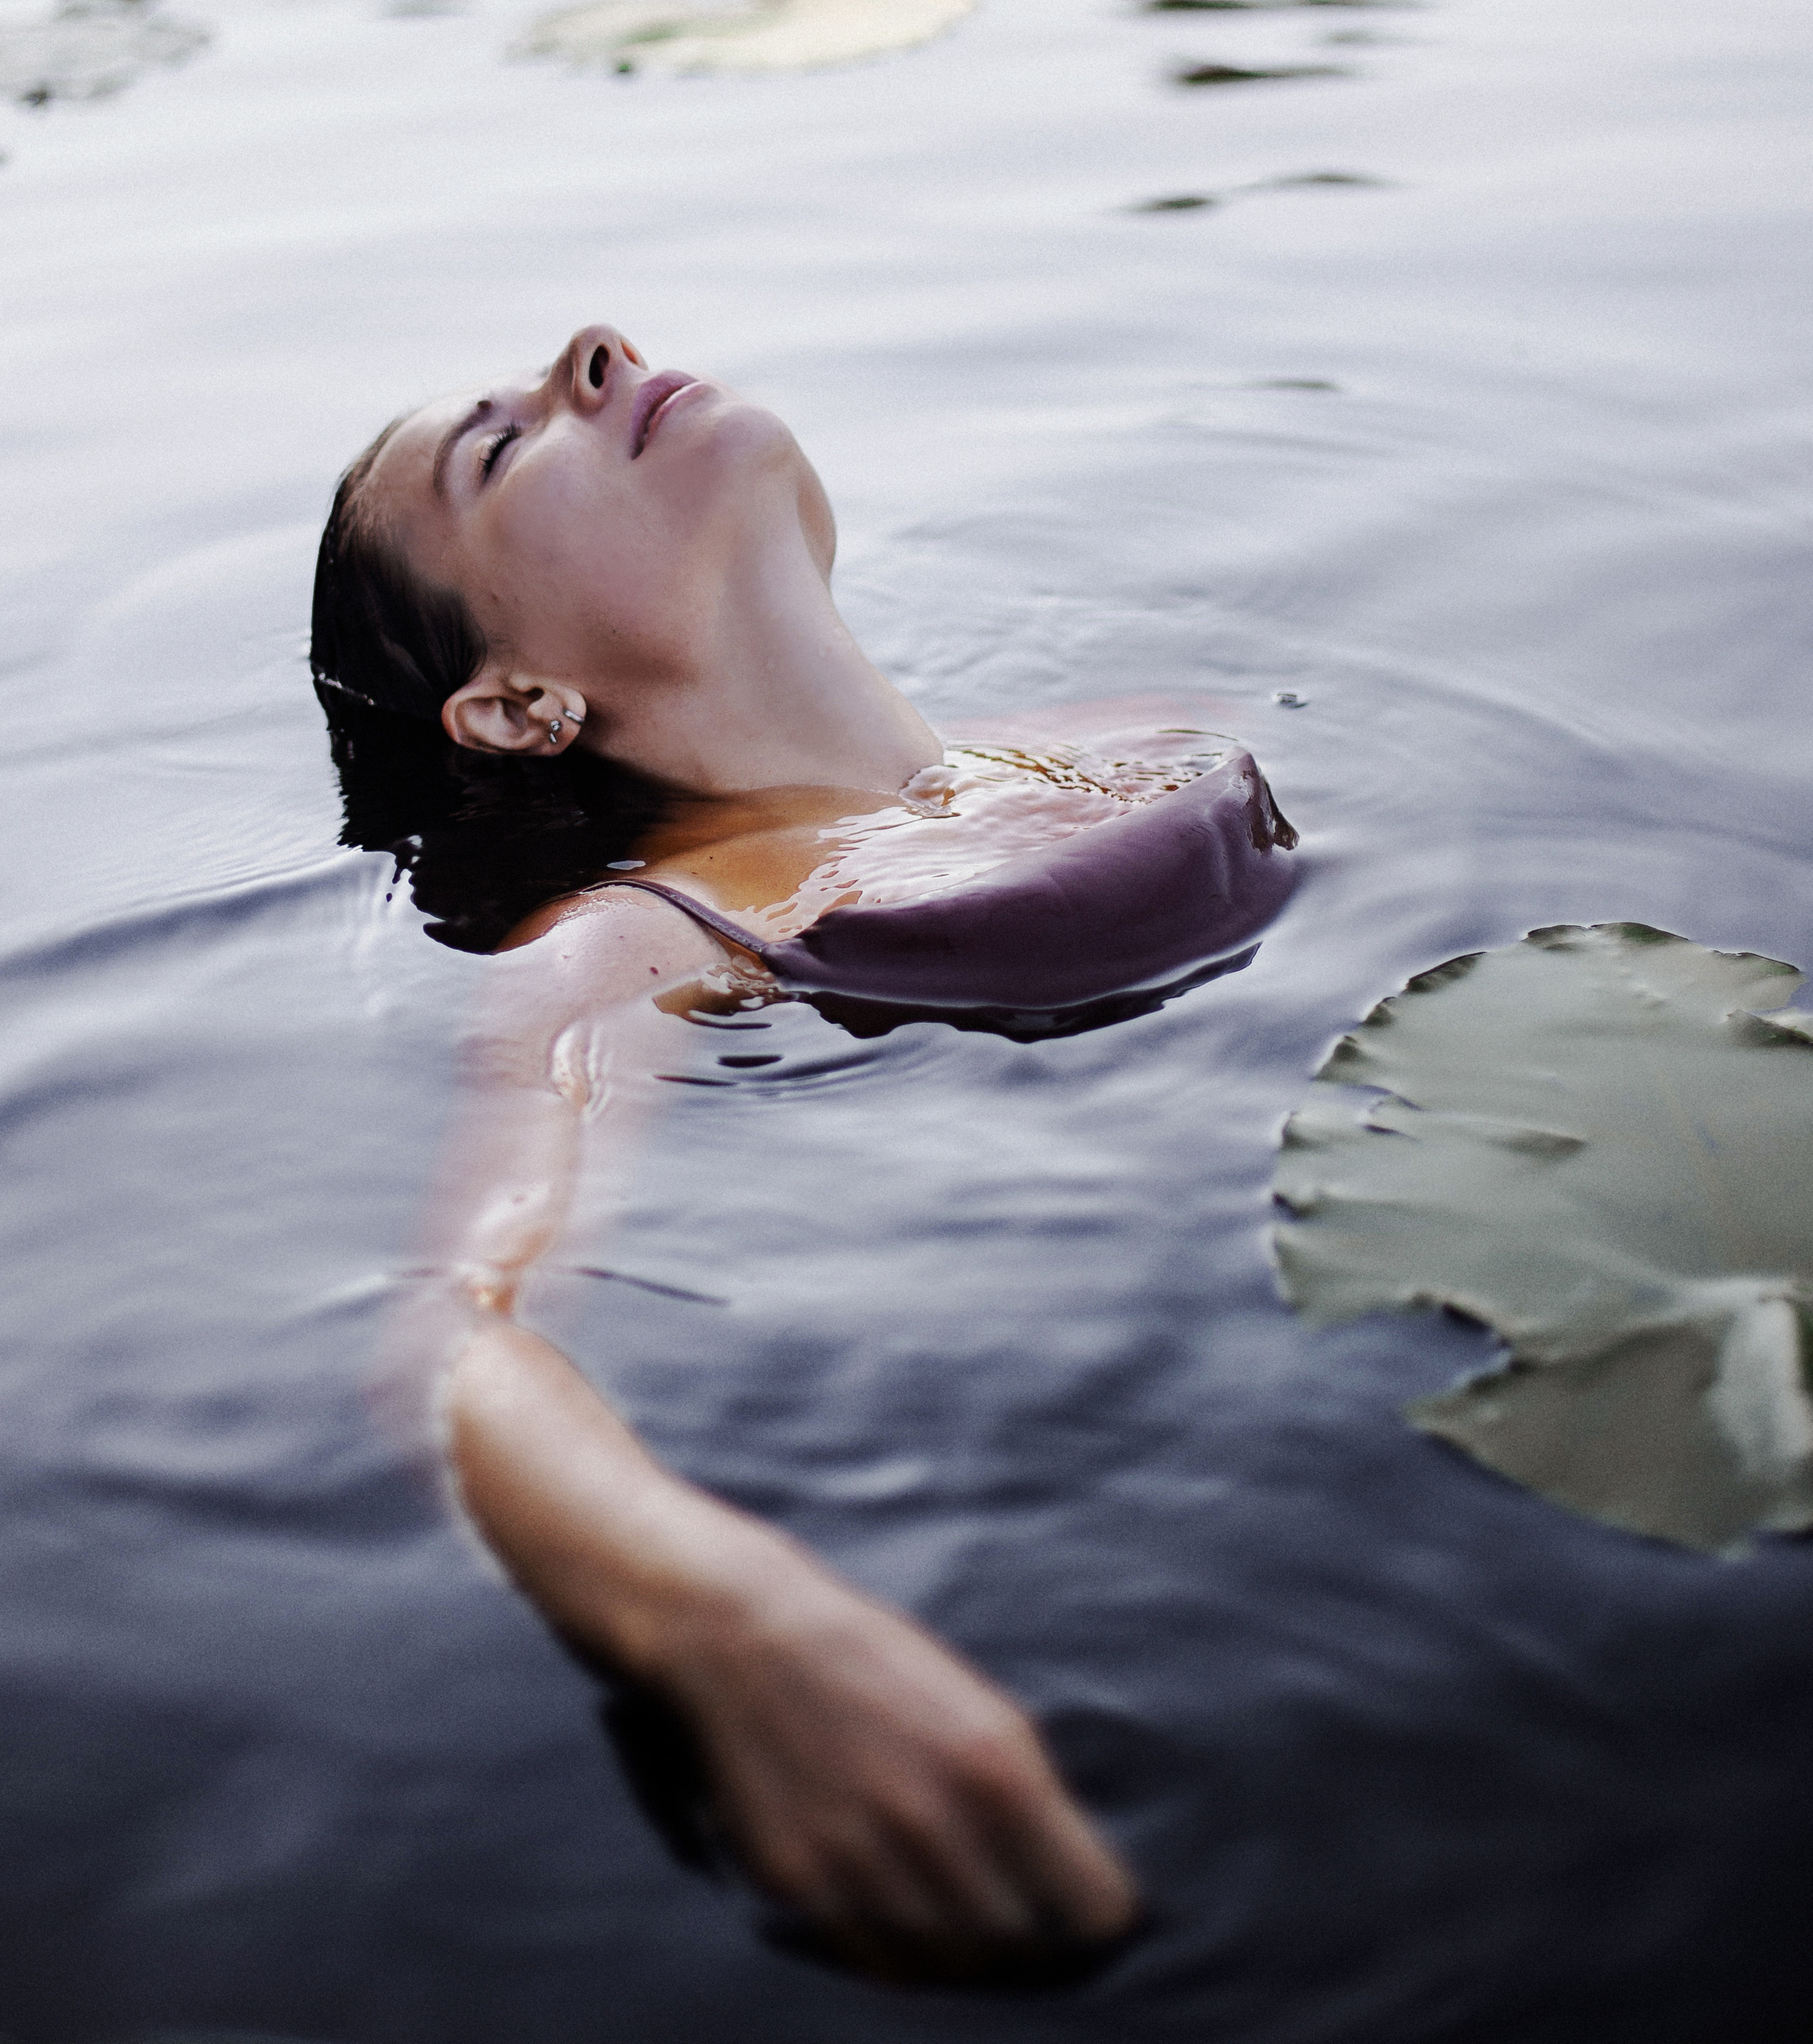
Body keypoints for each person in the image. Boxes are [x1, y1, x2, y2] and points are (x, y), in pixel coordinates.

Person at [310, 325, 1298, 1978]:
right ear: (518, 707)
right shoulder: (637, 944)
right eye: (499, 450)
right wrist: (729, 1616)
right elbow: (451, 1334)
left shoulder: (1139, 732)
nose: (594, 349)